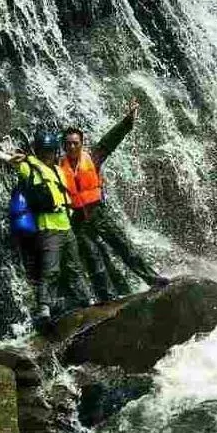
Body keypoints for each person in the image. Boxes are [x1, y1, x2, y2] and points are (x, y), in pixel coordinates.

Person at [59, 98, 168, 302]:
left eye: (76, 143)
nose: (72, 147)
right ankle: (107, 300)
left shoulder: (92, 158)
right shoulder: (58, 167)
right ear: (64, 146)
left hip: (99, 213)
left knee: (124, 247)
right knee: (93, 260)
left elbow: (110, 140)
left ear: (81, 144)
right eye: (68, 144)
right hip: (78, 221)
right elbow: (36, 166)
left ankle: (153, 279)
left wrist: (127, 121)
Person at [0, 132, 91, 324]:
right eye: (43, 151)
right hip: (47, 226)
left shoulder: (58, 170)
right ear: (38, 151)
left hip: (66, 225)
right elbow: (8, 159)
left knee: (75, 266)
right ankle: (44, 309)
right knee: (51, 270)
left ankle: (86, 299)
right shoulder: (28, 167)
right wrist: (19, 156)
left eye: (50, 151)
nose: (47, 154)